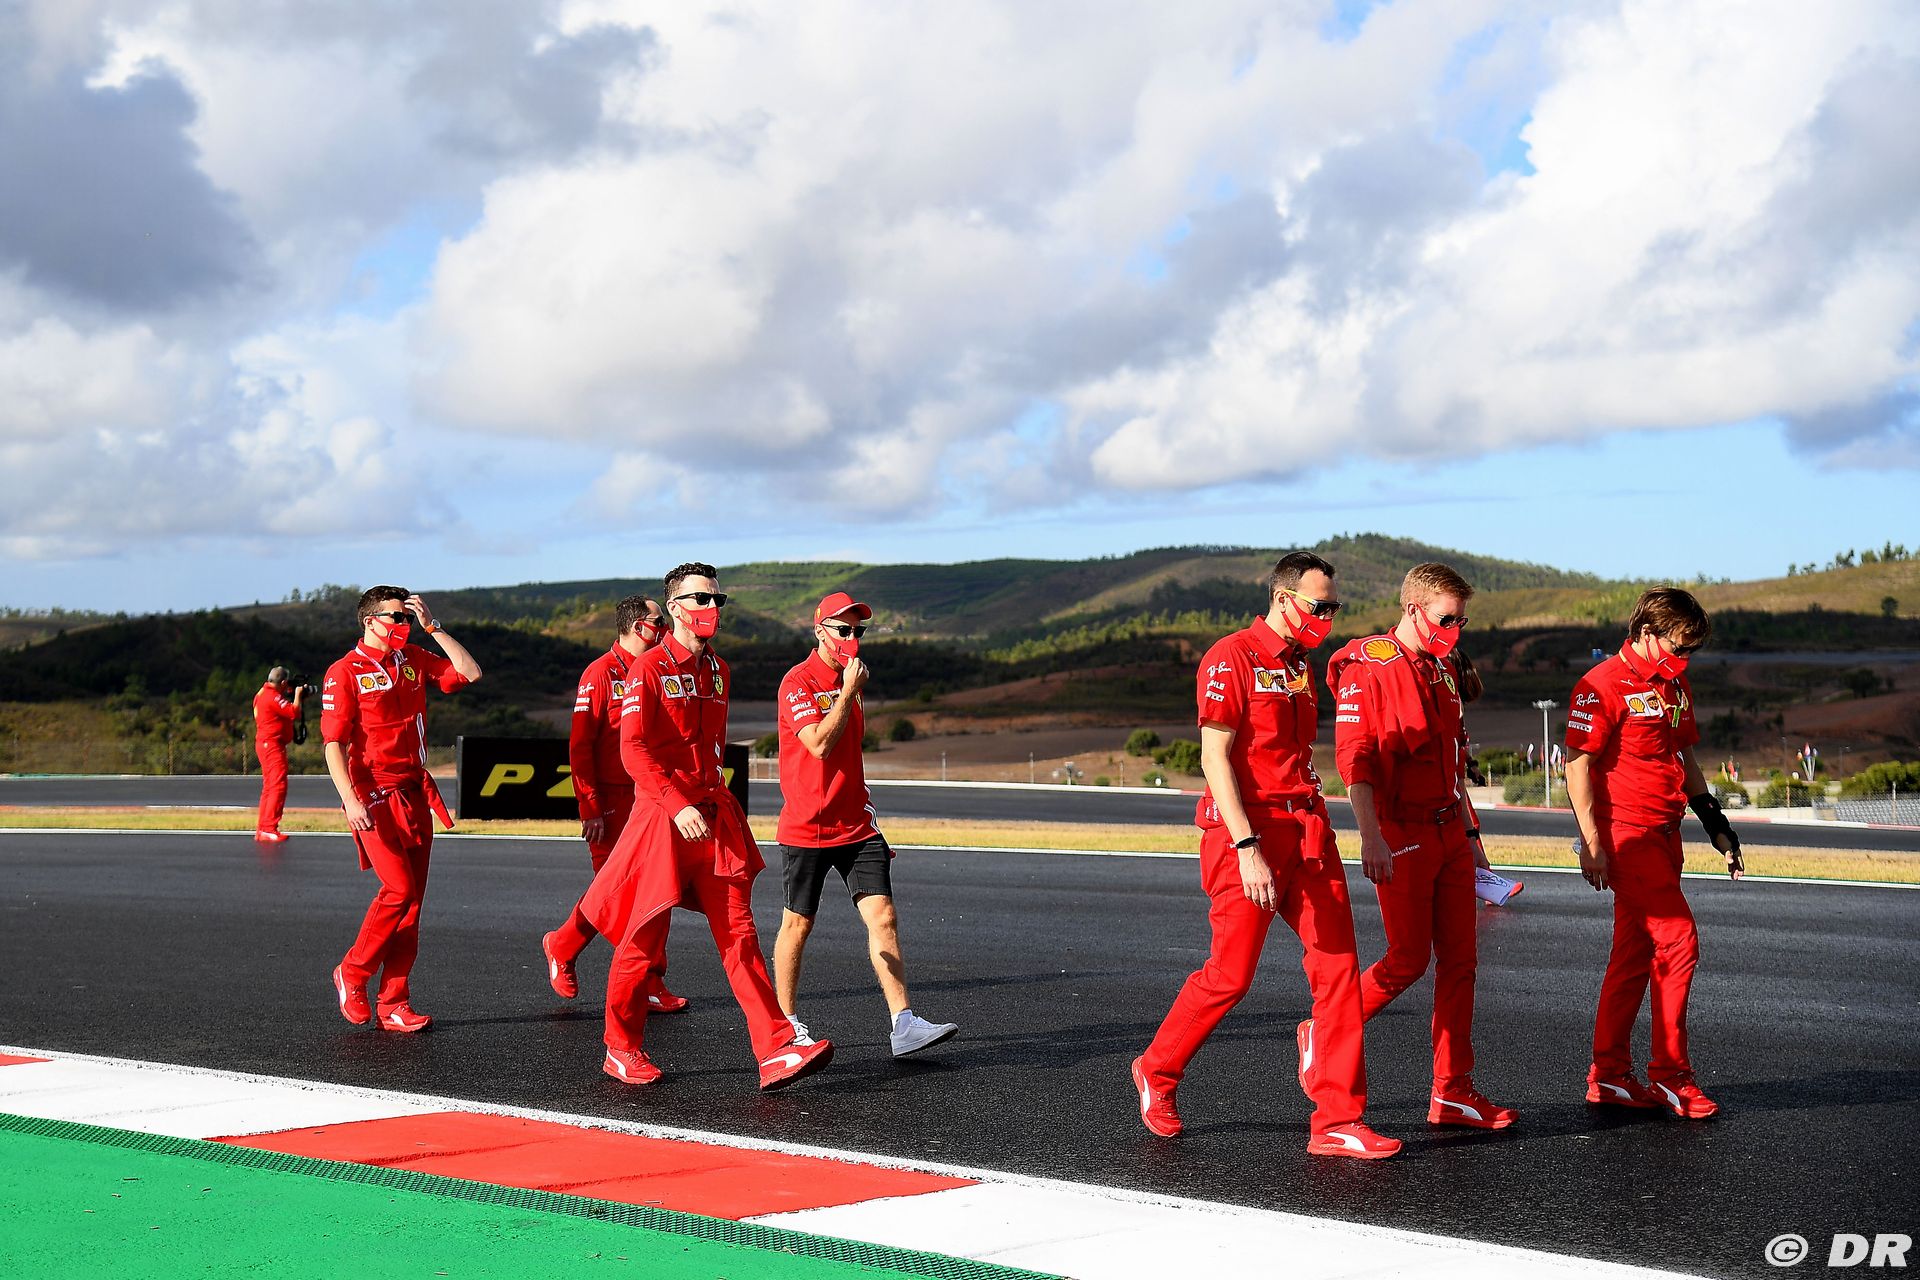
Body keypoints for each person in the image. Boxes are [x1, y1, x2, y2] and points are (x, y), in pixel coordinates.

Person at [1132, 552, 1399, 1159]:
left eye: (1335, 607)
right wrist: (1246, 846)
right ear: (1283, 599)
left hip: (1306, 830)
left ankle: (1337, 1119)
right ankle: (1158, 1069)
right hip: (1247, 835)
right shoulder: (1231, 657)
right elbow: (1214, 758)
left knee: (1338, 971)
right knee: (1230, 977)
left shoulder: (1301, 665)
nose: (1329, 617)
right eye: (1320, 606)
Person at [579, 563, 833, 1090]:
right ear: (674, 607)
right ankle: (620, 1048)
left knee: (740, 934)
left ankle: (775, 1048)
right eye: (701, 599)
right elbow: (633, 750)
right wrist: (676, 804)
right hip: (662, 820)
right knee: (642, 939)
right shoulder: (647, 668)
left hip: (713, 818)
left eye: (718, 600)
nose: (712, 608)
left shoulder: (719, 670)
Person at [1329, 563, 1517, 1131]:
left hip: (1448, 832)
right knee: (1408, 959)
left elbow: (1453, 767)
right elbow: (1355, 761)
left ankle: (1452, 1090)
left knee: (1462, 961)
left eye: (1461, 621)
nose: (1454, 630)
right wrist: (1370, 837)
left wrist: (1473, 840)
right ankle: (1326, 1029)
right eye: (1446, 619)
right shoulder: (1368, 667)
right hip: (1401, 832)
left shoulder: (1442, 670)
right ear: (1413, 610)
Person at [1565, 587, 1743, 1120]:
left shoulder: (1674, 683)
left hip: (1667, 834)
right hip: (1627, 836)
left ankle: (1609, 1076)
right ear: (1647, 633)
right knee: (1679, 941)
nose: (1685, 658)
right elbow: (1576, 766)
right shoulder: (1600, 685)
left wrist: (1714, 821)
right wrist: (1591, 842)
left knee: (1633, 955)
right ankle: (1670, 1076)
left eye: (1692, 651)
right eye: (1679, 647)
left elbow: (1683, 753)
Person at [773, 591, 959, 1058]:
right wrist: (848, 692)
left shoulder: (850, 680)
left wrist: (849, 690)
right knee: (798, 924)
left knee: (884, 916)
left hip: (856, 824)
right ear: (820, 632)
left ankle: (904, 1024)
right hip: (808, 826)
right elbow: (818, 745)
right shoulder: (797, 682)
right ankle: (785, 1027)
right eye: (843, 629)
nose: (852, 638)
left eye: (858, 631)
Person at [321, 588, 481, 1032]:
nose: (403, 624)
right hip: (372, 792)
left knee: (412, 905)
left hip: (414, 790)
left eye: (407, 617)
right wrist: (350, 798)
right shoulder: (344, 671)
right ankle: (352, 971)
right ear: (370, 621)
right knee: (398, 889)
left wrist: (433, 627)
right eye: (396, 617)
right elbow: (333, 744)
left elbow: (469, 672)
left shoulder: (411, 657)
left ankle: (394, 1001)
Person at [541, 595, 687, 1014]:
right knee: (614, 895)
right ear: (638, 626)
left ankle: (650, 980)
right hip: (612, 801)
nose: (666, 628)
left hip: (653, 797)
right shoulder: (600, 673)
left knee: (661, 889)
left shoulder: (663, 668)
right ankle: (564, 946)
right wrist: (589, 806)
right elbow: (580, 745)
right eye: (659, 621)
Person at [253, 667, 304, 842]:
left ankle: (263, 828)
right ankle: (269, 827)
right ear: (283, 682)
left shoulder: (262, 693)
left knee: (269, 787)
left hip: (265, 743)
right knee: (277, 786)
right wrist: (298, 695)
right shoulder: (272, 696)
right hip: (272, 745)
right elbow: (293, 712)